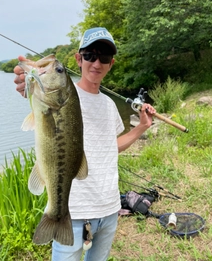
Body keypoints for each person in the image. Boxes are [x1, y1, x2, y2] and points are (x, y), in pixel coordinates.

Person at [14, 27, 156, 261]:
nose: (96, 63)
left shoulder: (109, 105)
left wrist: (141, 127)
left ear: (111, 64)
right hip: (73, 212)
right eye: (90, 55)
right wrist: (28, 84)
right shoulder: (60, 96)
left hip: (109, 208)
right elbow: (34, 90)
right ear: (78, 59)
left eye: (104, 57)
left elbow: (113, 146)